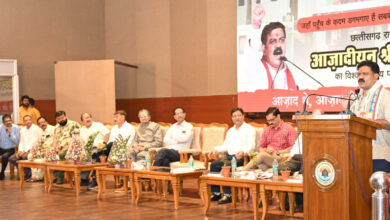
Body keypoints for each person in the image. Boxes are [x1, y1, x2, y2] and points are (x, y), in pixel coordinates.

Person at [208, 107, 256, 204]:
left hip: (241, 157)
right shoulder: (230, 131)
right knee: (214, 165)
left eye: (239, 115)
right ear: (232, 118)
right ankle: (217, 193)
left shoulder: (250, 129)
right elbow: (226, 146)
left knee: (227, 167)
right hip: (229, 156)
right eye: (234, 116)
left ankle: (228, 195)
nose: (237, 118)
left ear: (243, 116)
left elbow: (252, 146)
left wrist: (243, 152)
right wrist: (215, 150)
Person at [350, 61, 390, 172]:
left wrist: (369, 122)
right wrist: (347, 110)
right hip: (356, 155)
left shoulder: (386, 96)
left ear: (376, 76)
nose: (360, 77)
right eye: (358, 74)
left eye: (365, 74)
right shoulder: (357, 98)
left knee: (378, 189)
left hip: (379, 156)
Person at [240, 22, 298, 92]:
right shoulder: (255, 70)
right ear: (264, 49)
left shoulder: (295, 75)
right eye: (273, 41)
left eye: (281, 40)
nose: (278, 45)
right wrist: (255, 26)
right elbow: (251, 51)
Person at [88, 110, 135, 190]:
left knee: (101, 153)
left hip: (122, 149)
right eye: (114, 117)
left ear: (123, 117)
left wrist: (113, 146)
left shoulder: (129, 128)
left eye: (117, 117)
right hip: (111, 148)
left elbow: (128, 142)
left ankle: (95, 179)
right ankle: (96, 180)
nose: (114, 119)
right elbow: (109, 141)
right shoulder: (114, 128)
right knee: (101, 154)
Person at [241, 107, 297, 171]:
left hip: (281, 158)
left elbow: (294, 148)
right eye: (268, 121)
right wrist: (266, 150)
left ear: (278, 116)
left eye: (272, 120)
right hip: (268, 157)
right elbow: (260, 147)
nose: (270, 123)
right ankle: (271, 171)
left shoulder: (289, 129)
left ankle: (242, 171)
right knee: (262, 166)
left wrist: (277, 152)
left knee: (261, 156)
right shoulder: (267, 130)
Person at [80, 113, 109, 186]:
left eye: (89, 117)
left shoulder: (98, 125)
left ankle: (95, 180)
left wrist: (104, 143)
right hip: (87, 149)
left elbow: (108, 134)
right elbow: (81, 141)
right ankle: (84, 178)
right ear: (82, 122)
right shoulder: (82, 129)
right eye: (85, 118)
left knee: (96, 155)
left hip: (99, 147)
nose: (88, 119)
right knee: (81, 155)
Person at [9, 115, 42, 181]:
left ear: (32, 120)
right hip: (23, 150)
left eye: (29, 120)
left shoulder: (36, 128)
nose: (28, 121)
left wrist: (24, 152)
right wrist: (20, 151)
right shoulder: (22, 130)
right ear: (23, 122)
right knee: (12, 158)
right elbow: (21, 142)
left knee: (24, 157)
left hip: (33, 149)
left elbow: (36, 142)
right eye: (26, 120)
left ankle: (28, 175)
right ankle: (25, 172)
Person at [52, 111, 81, 184]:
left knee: (61, 154)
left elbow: (76, 137)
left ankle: (59, 177)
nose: (61, 120)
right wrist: (55, 146)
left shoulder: (74, 124)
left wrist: (66, 146)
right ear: (56, 120)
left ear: (65, 116)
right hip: (59, 146)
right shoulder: (56, 127)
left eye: (62, 118)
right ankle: (56, 175)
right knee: (51, 154)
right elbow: (55, 139)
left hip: (71, 146)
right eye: (59, 119)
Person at [0, 114, 19, 180]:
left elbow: (16, 142)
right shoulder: (0, 127)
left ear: (11, 120)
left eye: (9, 120)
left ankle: (2, 173)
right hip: (1, 148)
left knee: (5, 156)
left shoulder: (15, 128)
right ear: (3, 122)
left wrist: (11, 133)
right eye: (6, 121)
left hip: (10, 149)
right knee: (3, 155)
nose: (8, 122)